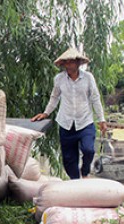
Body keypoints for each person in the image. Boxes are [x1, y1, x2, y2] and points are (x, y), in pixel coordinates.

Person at [31, 47, 107, 179]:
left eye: (71, 62)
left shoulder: (88, 78)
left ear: (78, 63)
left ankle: (84, 173)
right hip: (66, 123)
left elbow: (95, 98)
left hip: (85, 121)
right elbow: (54, 97)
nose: (68, 65)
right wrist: (46, 113)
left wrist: (101, 119)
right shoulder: (59, 79)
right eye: (66, 62)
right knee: (68, 159)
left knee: (88, 150)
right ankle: (75, 183)